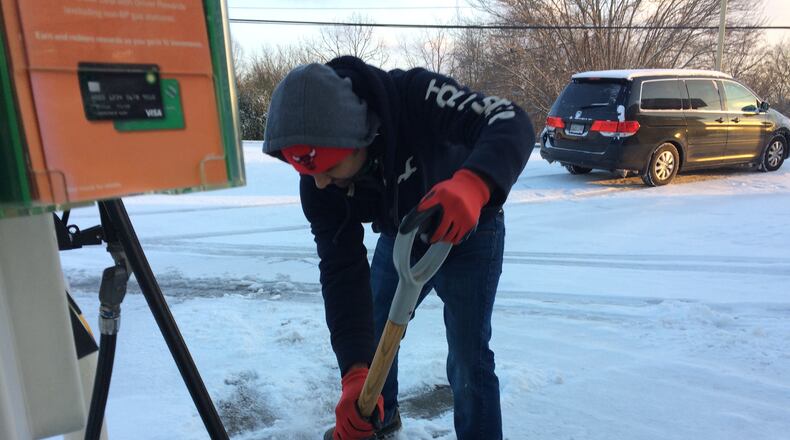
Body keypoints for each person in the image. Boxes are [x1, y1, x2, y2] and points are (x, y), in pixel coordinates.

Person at [263, 55, 534, 440]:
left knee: (467, 357)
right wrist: (355, 373)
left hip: (471, 229)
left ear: (362, 137)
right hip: (403, 236)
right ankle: (377, 413)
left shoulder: (415, 96)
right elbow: (341, 272)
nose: (319, 183)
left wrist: (475, 183)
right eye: (307, 171)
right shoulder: (318, 184)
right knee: (371, 333)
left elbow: (509, 120)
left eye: (329, 167)